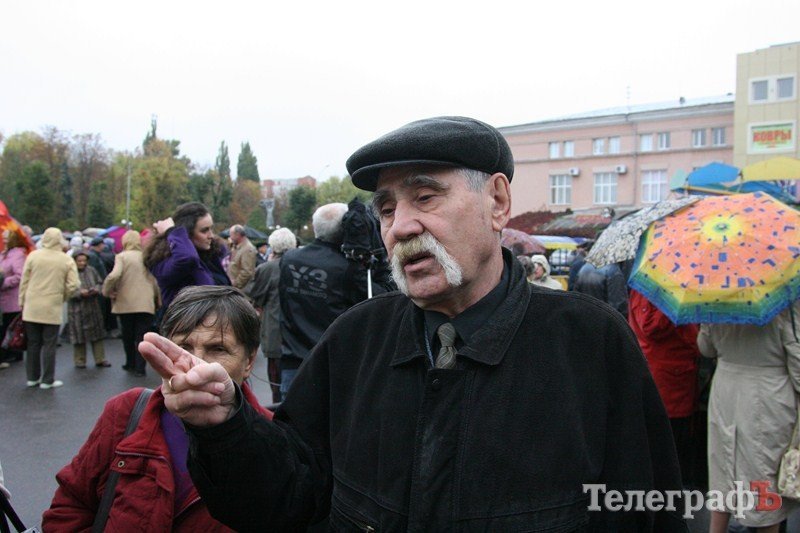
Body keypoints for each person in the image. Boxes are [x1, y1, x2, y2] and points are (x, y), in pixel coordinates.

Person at [140, 116, 685, 530]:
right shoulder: (356, 340)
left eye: (426, 196)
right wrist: (227, 426)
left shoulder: (590, 344)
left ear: (496, 201)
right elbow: (289, 499)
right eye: (385, 209)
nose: (400, 227)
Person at [43, 285, 273, 531]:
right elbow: (69, 507)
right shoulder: (126, 411)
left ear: (249, 361)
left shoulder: (275, 440)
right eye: (183, 347)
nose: (197, 364)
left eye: (218, 349)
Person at [698, 303, 800, 532]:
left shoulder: (714, 296)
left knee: (722, 471)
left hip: (725, 390)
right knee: (764, 479)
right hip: (767, 396)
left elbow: (705, 348)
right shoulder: (784, 303)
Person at [277, 202, 394, 395]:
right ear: (346, 230)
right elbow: (386, 297)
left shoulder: (289, 259)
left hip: (293, 365)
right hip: (333, 369)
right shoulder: (348, 269)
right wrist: (377, 256)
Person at [628, 289, 700, 486]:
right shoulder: (661, 291)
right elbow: (651, 326)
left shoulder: (646, 287)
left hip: (670, 371)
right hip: (670, 374)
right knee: (671, 434)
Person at [144, 202, 230, 317]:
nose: (211, 235)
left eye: (211, 229)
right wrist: (173, 231)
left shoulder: (209, 256)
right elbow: (187, 258)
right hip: (185, 330)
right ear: (187, 233)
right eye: (204, 230)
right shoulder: (167, 261)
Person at [19, 227, 80, 389]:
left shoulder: (33, 256)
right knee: (49, 344)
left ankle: (32, 377)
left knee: (33, 343)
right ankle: (47, 380)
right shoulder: (65, 259)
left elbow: (24, 281)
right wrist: (63, 296)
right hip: (52, 306)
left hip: (31, 306)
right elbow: (74, 284)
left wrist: (22, 300)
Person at [248, 227, 297, 403]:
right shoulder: (300, 265)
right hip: (300, 330)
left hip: (275, 330)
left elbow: (255, 297)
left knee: (276, 381)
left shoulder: (267, 268)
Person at [103, 230, 161, 377]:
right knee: (142, 337)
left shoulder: (121, 256)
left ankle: (130, 363)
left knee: (128, 336)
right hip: (145, 303)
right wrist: (157, 299)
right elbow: (154, 281)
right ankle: (140, 368)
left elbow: (114, 275)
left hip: (125, 303)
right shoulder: (146, 257)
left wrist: (106, 291)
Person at [67, 252, 110, 369]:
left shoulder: (91, 270)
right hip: (77, 308)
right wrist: (79, 293)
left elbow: (100, 283)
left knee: (97, 333)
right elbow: (67, 290)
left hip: (93, 306)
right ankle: (80, 360)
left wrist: (96, 289)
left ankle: (100, 358)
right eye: (80, 261)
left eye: (84, 260)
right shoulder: (70, 272)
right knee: (78, 335)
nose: (82, 263)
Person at [0, 230, 28, 367]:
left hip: (12, 298)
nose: (4, 240)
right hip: (3, 297)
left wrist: (4, 283)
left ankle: (13, 352)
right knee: (5, 327)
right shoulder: (4, 254)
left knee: (11, 327)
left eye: (6, 238)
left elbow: (20, 275)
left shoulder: (18, 255)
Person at [227, 224, 257, 291]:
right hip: (235, 289)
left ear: (237, 235)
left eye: (231, 235)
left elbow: (247, 272)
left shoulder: (247, 249)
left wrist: (235, 284)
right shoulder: (236, 247)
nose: (230, 237)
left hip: (241, 290)